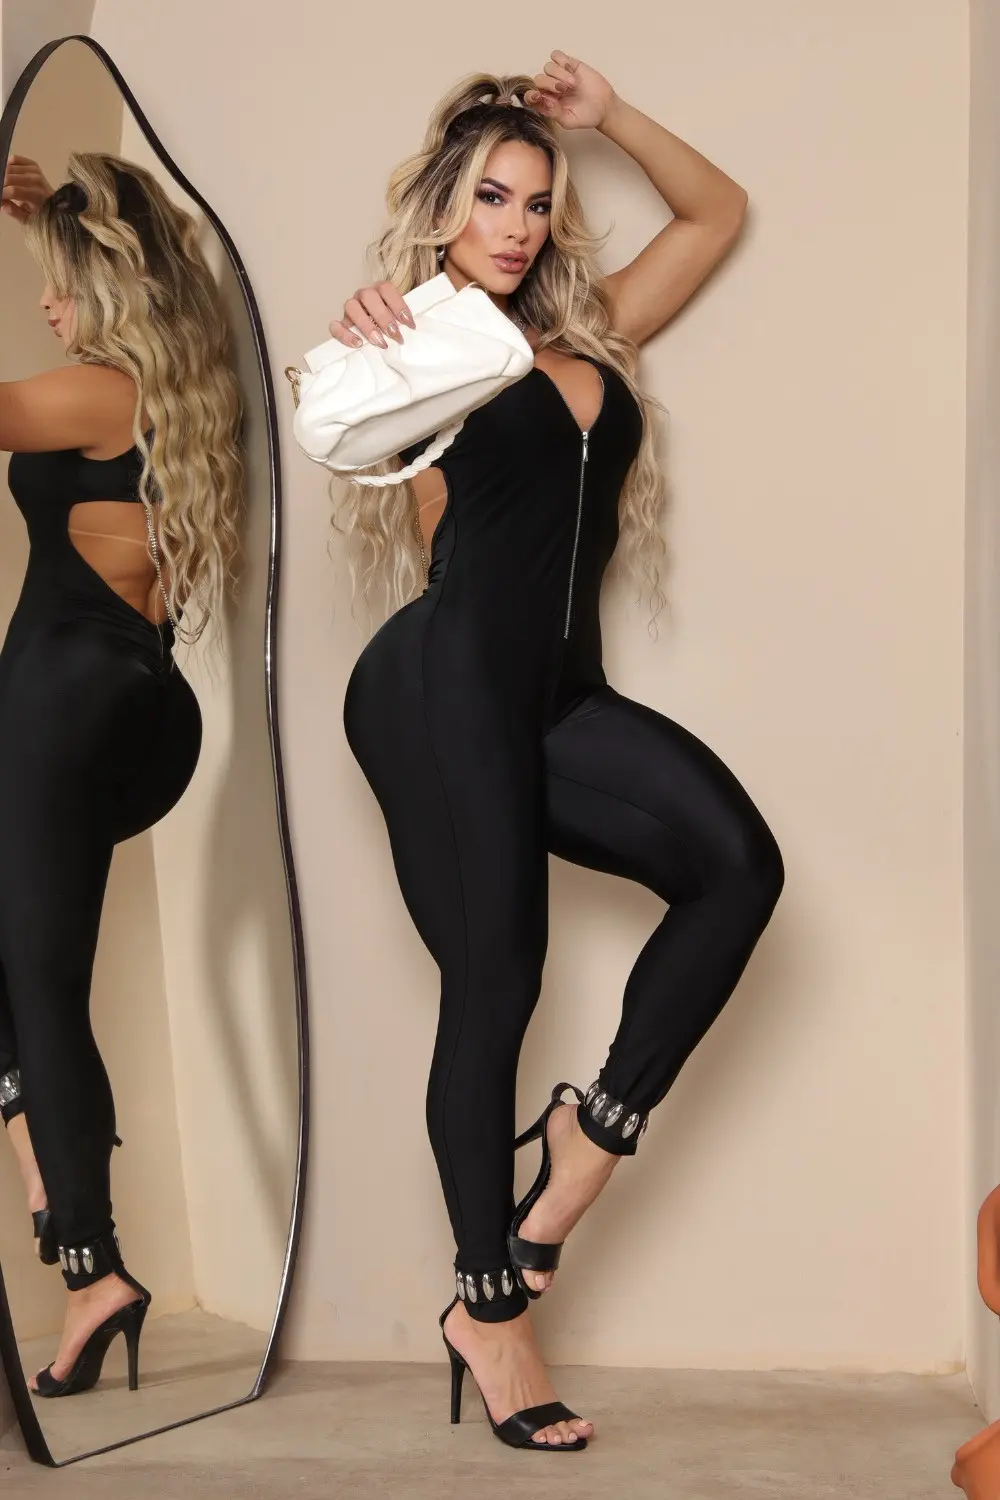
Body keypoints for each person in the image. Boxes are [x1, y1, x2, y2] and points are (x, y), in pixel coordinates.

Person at [328, 53, 784, 1451]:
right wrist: (381, 338)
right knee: (498, 979)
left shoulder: (591, 335)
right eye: (490, 198)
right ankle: (491, 1310)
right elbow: (355, 434)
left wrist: (609, 119)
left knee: (736, 867)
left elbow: (716, 214)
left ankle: (586, 1138)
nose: (517, 225)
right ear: (442, 209)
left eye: (536, 201)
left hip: (555, 694)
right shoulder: (419, 343)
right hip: (437, 682)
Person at [0, 151, 243, 1397]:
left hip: (58, 702)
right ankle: (49, 1169)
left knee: (43, 984)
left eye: (61, 282)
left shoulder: (92, 393)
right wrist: (50, 212)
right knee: (25, 969)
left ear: (109, 289)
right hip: (144, 709)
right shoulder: (177, 386)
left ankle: (91, 1267)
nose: (45, 303)